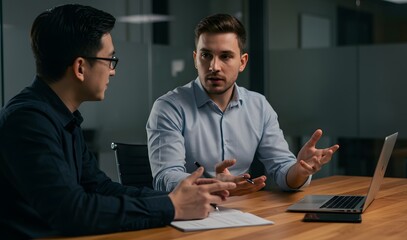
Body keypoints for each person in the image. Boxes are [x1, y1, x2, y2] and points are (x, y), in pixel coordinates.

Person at [0, 4, 236, 239]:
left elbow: (100, 187)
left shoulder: (62, 118)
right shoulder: (27, 121)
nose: (112, 71)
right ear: (80, 67)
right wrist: (172, 207)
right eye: (110, 59)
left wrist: (181, 198)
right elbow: (71, 211)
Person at [147, 13, 339, 196]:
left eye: (225, 56)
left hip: (241, 212)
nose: (214, 66)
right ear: (196, 59)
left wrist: (300, 170)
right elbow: (166, 178)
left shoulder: (259, 106)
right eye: (206, 55)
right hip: (188, 216)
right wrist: (215, 186)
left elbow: (282, 170)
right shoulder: (168, 107)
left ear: (242, 62)